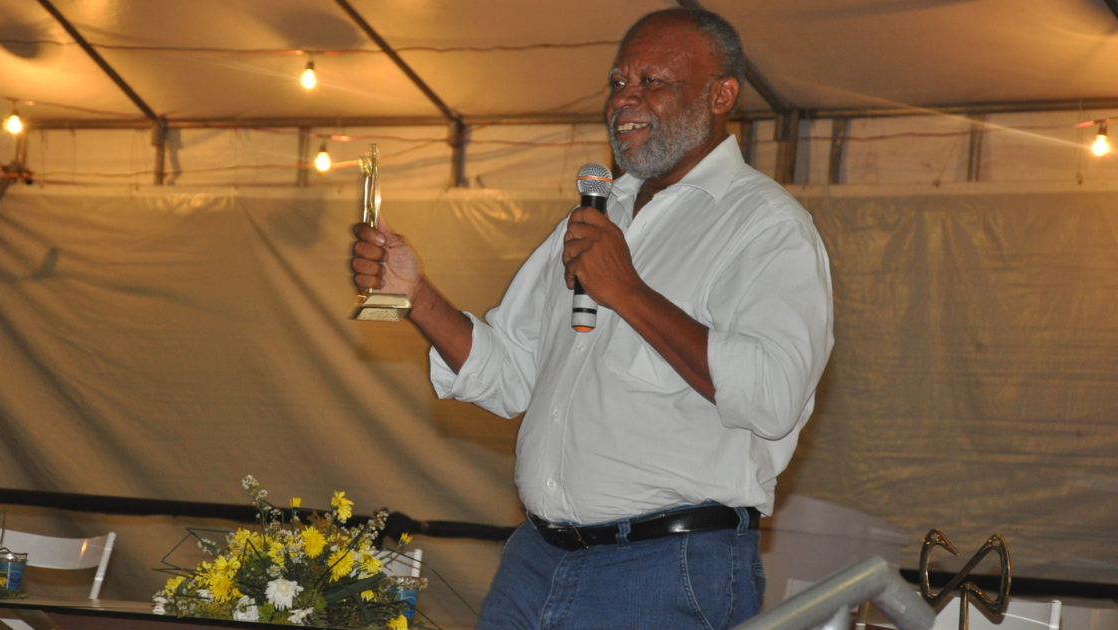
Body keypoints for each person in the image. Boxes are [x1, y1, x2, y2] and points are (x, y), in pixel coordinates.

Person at [351, 8, 833, 630]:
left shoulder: (766, 226)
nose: (624, 99)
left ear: (721, 95)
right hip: (535, 560)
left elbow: (774, 395)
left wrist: (626, 290)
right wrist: (417, 296)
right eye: (617, 82)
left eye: (652, 81)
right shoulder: (596, 215)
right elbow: (508, 373)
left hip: (665, 569)